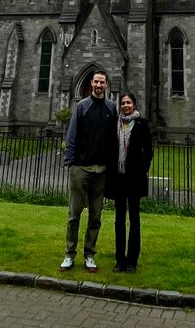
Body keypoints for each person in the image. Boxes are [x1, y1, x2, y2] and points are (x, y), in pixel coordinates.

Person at [61, 69, 116, 273]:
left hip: (101, 171)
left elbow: (114, 138)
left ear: (106, 84)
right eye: (96, 82)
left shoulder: (112, 107)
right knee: (74, 215)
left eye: (102, 82)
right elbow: (72, 135)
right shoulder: (81, 106)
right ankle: (69, 254)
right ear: (91, 84)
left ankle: (89, 255)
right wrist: (71, 163)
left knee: (95, 216)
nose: (99, 85)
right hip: (81, 168)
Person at [105, 92, 153, 273]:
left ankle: (132, 261)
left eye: (128, 102)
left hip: (134, 179)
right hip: (118, 179)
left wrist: (142, 170)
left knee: (134, 220)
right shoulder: (114, 124)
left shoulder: (142, 124)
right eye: (123, 103)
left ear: (134, 105)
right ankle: (120, 260)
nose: (125, 105)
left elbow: (148, 152)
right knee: (119, 221)